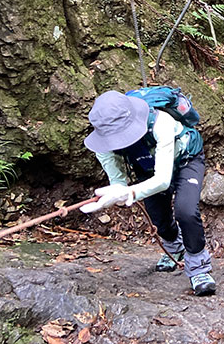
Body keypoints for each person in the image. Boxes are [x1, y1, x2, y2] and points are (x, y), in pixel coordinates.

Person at [80, 90, 216, 296]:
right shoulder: (103, 143)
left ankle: (198, 266)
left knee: (185, 210)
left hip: (186, 159)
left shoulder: (161, 123)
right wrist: (115, 194)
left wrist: (130, 193)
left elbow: (162, 180)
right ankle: (174, 246)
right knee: (158, 216)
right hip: (148, 166)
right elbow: (118, 181)